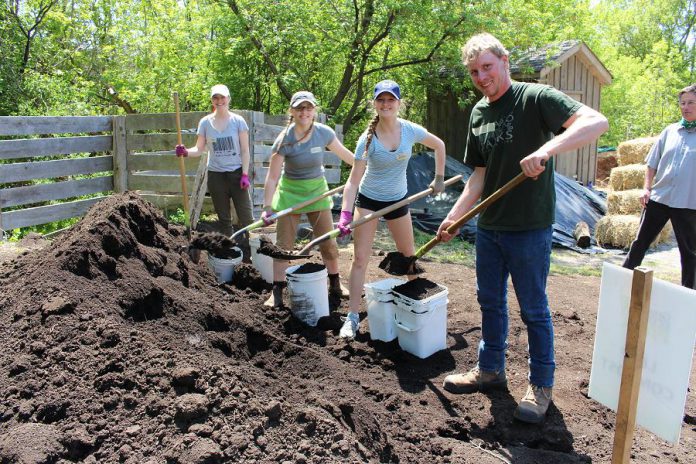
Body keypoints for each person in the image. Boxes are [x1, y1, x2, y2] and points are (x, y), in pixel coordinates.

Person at [436, 33, 608, 424]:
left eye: (488, 67)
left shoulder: (536, 98)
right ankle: (491, 369)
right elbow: (478, 177)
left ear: (505, 61)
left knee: (533, 309)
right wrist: (456, 216)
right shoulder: (479, 113)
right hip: (490, 227)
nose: (482, 77)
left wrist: (547, 150)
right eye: (475, 71)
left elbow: (597, 121)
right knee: (490, 301)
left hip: (530, 226)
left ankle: (541, 384)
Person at [337, 79, 446, 339]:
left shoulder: (409, 130)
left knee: (408, 257)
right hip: (369, 200)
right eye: (381, 100)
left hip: (398, 200)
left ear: (399, 103)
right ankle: (352, 316)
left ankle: (420, 307)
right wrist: (345, 214)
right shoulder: (367, 139)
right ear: (374, 104)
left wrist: (439, 178)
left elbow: (439, 145)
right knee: (360, 258)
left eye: (390, 100)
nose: (386, 104)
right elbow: (352, 182)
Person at [261, 91, 354, 309]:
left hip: (317, 193)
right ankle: (276, 291)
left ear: (314, 110)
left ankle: (335, 284)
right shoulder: (284, 140)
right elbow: (272, 176)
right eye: (299, 108)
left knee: (327, 241)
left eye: (308, 108)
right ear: (292, 111)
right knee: (283, 245)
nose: (304, 112)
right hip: (290, 195)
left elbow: (348, 157)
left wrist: (366, 168)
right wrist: (267, 207)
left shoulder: (323, 133)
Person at [623, 84, 696, 290]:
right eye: (682, 103)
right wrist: (646, 188)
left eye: (691, 102)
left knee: (689, 253)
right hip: (659, 198)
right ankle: (623, 281)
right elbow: (652, 163)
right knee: (639, 244)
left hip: (689, 203)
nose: (685, 107)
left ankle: (689, 296)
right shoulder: (670, 131)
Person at [175, 84, 254, 261]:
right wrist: (186, 152)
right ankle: (231, 253)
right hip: (216, 176)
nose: (219, 101)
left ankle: (251, 254)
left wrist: (245, 174)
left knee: (247, 218)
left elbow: (245, 150)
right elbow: (199, 148)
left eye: (222, 98)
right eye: (215, 98)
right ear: (212, 100)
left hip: (236, 174)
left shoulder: (238, 121)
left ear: (228, 99)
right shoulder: (205, 122)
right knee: (224, 219)